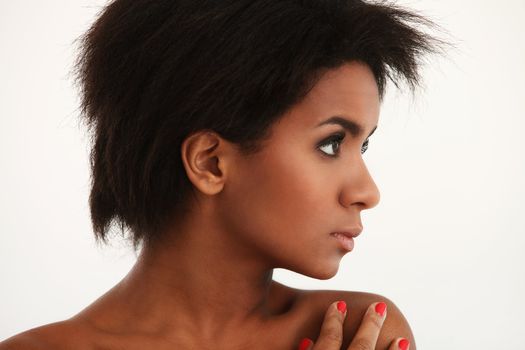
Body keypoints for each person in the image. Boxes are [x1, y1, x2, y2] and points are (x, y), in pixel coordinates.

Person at [0, 0, 447, 348]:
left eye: (362, 145)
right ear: (210, 162)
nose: (368, 192)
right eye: (332, 144)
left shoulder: (359, 330)